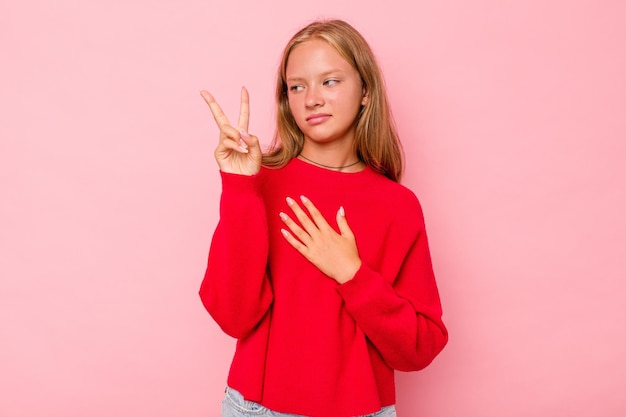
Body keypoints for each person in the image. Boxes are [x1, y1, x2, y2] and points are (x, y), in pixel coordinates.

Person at [199, 19, 448, 417]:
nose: (311, 99)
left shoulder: (398, 205)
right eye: (297, 86)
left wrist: (352, 274)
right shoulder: (258, 183)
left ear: (366, 91)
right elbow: (233, 315)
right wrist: (239, 189)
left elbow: (421, 346)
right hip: (257, 409)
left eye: (329, 82)